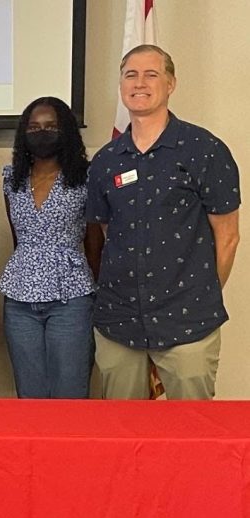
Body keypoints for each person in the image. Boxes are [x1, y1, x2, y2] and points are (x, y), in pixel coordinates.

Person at [86, 45, 241, 400]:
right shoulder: (106, 161)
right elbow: (110, 234)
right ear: (121, 85)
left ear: (170, 84)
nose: (139, 83)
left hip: (188, 321)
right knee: (124, 436)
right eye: (131, 75)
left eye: (151, 74)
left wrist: (199, 294)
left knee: (191, 437)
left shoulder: (204, 150)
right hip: (118, 320)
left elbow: (228, 237)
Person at [0, 97, 95, 399]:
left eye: (51, 126)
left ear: (65, 130)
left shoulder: (87, 176)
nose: (42, 133)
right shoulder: (10, 178)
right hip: (19, 298)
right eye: (34, 127)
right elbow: (18, 236)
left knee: (70, 392)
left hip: (72, 297)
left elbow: (95, 241)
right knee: (30, 395)